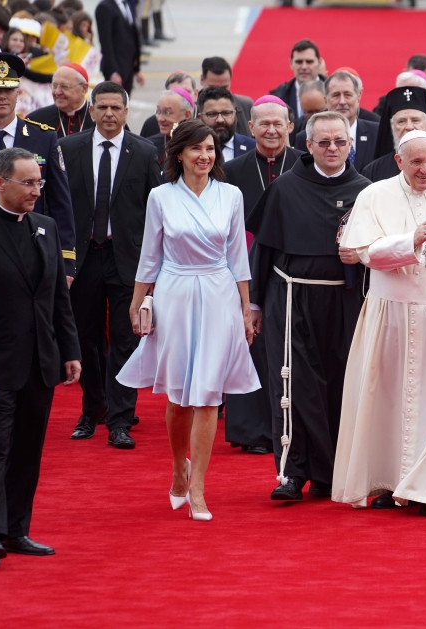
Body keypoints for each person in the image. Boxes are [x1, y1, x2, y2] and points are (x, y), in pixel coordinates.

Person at [333, 130, 426, 520]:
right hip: (390, 316)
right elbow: (361, 253)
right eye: (416, 161)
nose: (424, 169)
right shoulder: (374, 195)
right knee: (386, 400)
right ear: (398, 161)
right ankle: (390, 482)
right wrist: (409, 241)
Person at [116, 119, 260, 521]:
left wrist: (245, 309)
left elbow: (238, 258)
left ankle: (198, 489)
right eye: (196, 149)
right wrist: (138, 299)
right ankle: (179, 470)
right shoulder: (161, 197)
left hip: (218, 293)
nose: (204, 156)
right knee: (179, 397)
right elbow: (150, 255)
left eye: (210, 149)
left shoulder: (230, 195)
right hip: (175, 292)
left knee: (209, 394)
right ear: (178, 153)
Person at [0, 147, 81, 568]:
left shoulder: (45, 228)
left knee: (28, 451)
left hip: (40, 364)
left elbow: (57, 300)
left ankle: (17, 530)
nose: (36, 191)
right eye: (27, 183)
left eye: (39, 183)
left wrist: (70, 351)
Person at [244, 111, 370, 502]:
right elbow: (263, 250)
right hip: (292, 298)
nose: (332, 149)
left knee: (339, 385)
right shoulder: (284, 188)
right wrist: (255, 305)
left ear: (350, 145)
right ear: (309, 144)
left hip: (346, 303)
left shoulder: (367, 192)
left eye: (340, 142)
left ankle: (332, 474)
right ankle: (293, 472)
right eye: (324, 142)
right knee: (294, 386)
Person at [61, 81, 162, 447]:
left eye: (115, 108)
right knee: (86, 338)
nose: (108, 114)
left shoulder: (145, 151)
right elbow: (57, 205)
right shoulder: (67, 149)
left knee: (124, 339)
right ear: (91, 110)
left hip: (127, 261)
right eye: (101, 107)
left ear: (126, 111)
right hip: (83, 259)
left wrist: (154, 266)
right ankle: (93, 410)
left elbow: (156, 209)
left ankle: (120, 420)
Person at [222, 96, 303, 455]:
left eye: (278, 123)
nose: (271, 130)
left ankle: (292, 426)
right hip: (242, 269)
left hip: (292, 269)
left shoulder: (305, 164)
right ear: (250, 127)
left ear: (290, 127)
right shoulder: (232, 170)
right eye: (263, 124)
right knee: (247, 346)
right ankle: (251, 430)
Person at [0, 53, 76, 280]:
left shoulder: (43, 138)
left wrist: (66, 259)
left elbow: (60, 202)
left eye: (9, 89)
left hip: (29, 247)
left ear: (18, 92)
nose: (2, 96)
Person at [293, 71, 378, 172]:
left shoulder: (377, 133)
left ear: (358, 98)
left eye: (347, 95)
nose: (342, 101)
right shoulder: (305, 138)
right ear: (326, 101)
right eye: (336, 95)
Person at [26, 63, 94, 138]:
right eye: (54, 86)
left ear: (84, 89)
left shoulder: (99, 118)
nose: (57, 92)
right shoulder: (34, 120)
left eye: (64, 86)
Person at [197, 86, 255, 164]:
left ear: (235, 114)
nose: (220, 120)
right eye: (212, 114)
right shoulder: (190, 149)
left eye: (226, 113)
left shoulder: (253, 148)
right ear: (200, 117)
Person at [95, 0, 143, 93]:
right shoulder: (105, 7)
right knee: (115, 102)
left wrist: (136, 68)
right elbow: (106, 43)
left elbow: (133, 35)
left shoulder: (127, 4)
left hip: (129, 66)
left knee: (126, 101)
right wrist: (113, 72)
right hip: (117, 66)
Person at [199, 56, 254, 137]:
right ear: (202, 80)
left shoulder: (245, 105)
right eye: (213, 88)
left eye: (224, 88)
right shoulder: (192, 108)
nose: (219, 92)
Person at [270, 39, 323, 120]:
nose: (304, 67)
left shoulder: (334, 93)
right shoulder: (277, 97)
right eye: (299, 62)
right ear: (291, 63)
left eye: (309, 62)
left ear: (319, 63)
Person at [148, 88, 193, 165]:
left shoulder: (201, 144)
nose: (160, 119)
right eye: (158, 111)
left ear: (187, 115)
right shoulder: (148, 146)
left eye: (167, 112)